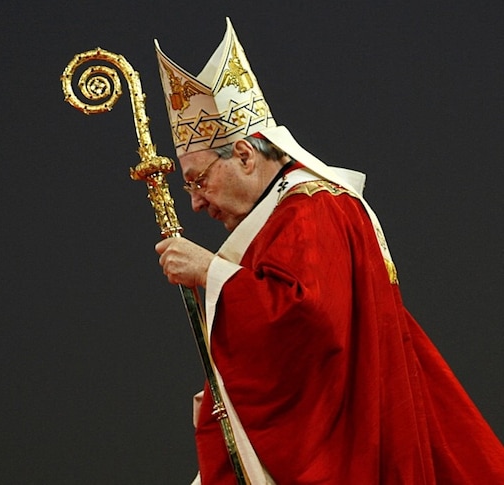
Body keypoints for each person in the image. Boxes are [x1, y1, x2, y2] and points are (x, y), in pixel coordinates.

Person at [152, 18, 504, 484]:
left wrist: (210, 272)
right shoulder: (283, 214)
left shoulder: (312, 210)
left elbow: (309, 322)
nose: (195, 202)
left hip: (348, 453)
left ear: (243, 154)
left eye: (198, 180)